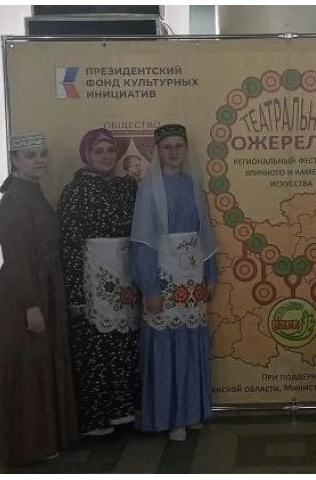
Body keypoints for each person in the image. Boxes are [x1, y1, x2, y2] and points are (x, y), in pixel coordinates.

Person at [0, 133, 78, 464]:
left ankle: (42, 438)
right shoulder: (14, 199)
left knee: (41, 363)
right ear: (15, 160)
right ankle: (27, 445)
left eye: (42, 154)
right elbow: (16, 257)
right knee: (28, 367)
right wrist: (30, 304)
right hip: (23, 294)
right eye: (30, 155)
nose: (39, 160)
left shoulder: (31, 192)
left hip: (43, 286)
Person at [131, 123, 218, 441]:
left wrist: (210, 273)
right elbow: (143, 242)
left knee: (190, 343)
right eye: (167, 147)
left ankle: (191, 411)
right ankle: (172, 418)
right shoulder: (148, 190)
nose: (173, 152)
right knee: (167, 345)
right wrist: (150, 288)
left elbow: (204, 234)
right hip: (163, 276)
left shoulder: (193, 185)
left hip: (191, 278)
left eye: (178, 146)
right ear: (158, 151)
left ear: (186, 149)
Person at [58, 128, 139, 436]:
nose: (106, 156)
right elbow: (69, 244)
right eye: (98, 151)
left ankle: (124, 413)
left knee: (124, 345)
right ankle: (98, 419)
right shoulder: (74, 191)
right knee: (96, 349)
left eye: (110, 150)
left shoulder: (128, 187)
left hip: (126, 276)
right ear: (86, 155)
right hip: (93, 279)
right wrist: (76, 294)